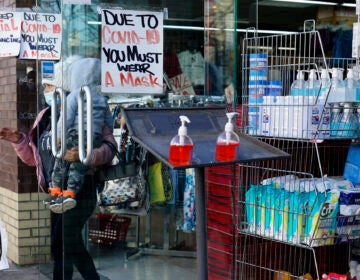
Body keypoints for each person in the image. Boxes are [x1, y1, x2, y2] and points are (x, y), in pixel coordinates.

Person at [0, 55, 116, 280]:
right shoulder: (46, 117)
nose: (45, 89)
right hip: (56, 192)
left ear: (63, 86)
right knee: (65, 245)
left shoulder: (87, 111)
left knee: (63, 242)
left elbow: (110, 149)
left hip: (80, 191)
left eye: (49, 85)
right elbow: (35, 159)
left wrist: (86, 155)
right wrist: (19, 141)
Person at [49, 58, 114, 214]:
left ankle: (55, 189)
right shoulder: (101, 98)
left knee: (61, 159)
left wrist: (58, 137)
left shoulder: (75, 95)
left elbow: (65, 119)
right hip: (94, 136)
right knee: (78, 166)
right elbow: (109, 122)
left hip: (76, 133)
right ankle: (71, 191)